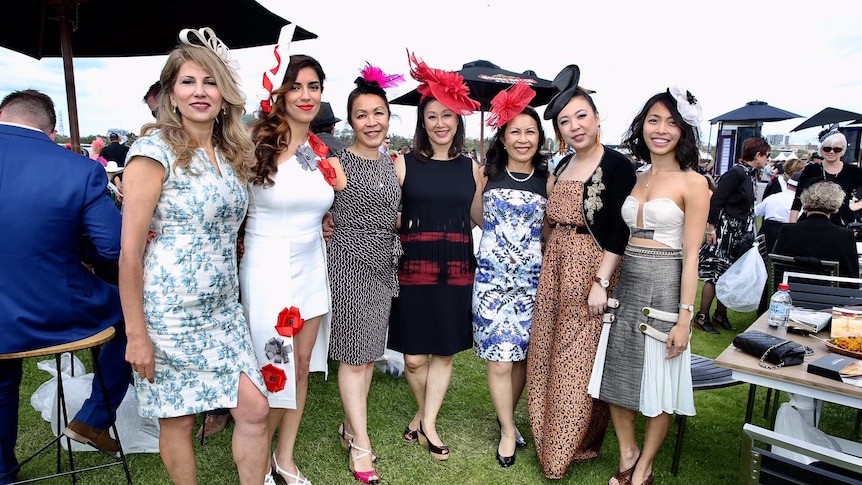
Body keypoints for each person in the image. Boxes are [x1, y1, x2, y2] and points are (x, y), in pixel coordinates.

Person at [119, 29, 270, 484]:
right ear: (171, 94)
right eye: (188, 82)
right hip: (169, 314)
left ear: (225, 94)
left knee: (255, 407)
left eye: (210, 81)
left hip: (223, 310)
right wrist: (136, 334)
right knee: (178, 418)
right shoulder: (152, 153)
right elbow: (129, 254)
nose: (200, 91)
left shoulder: (230, 152)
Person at [0, 89, 130, 484]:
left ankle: (3, 470)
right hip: (55, 310)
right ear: (50, 129)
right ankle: (92, 418)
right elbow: (110, 246)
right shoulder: (78, 169)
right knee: (133, 318)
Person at [240, 54, 347, 485]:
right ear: (279, 93)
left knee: (300, 365)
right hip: (267, 265)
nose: (306, 95)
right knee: (273, 368)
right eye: (297, 86)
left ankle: (285, 457)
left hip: (310, 263)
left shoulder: (321, 151)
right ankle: (257, 460)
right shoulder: (252, 145)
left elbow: (328, 210)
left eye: (314, 86)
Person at [526, 64, 637, 479]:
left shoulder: (616, 166)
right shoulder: (561, 166)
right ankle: (550, 433)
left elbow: (618, 229)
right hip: (554, 265)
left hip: (591, 267)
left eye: (581, 116)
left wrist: (601, 282)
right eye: (564, 121)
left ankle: (565, 448)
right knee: (546, 351)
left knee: (578, 360)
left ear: (597, 117)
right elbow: (550, 219)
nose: (574, 126)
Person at [598, 88, 710, 485]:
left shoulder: (695, 183)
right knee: (618, 372)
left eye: (672, 122)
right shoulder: (636, 175)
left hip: (665, 284)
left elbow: (692, 254)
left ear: (684, 130)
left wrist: (685, 317)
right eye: (654, 120)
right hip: (628, 281)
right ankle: (628, 454)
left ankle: (644, 467)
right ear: (642, 125)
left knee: (660, 381)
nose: (661, 130)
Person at [387, 51, 482, 461]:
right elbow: (388, 218)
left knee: (443, 351)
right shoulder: (403, 164)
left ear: (458, 119)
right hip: (414, 269)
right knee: (412, 358)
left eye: (448, 115)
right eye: (432, 116)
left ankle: (427, 422)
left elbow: (478, 218)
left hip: (458, 266)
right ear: (422, 123)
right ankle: (423, 416)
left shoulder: (472, 168)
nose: (440, 123)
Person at [327, 65, 404, 485]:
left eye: (378, 113)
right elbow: (318, 205)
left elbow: (395, 212)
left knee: (369, 355)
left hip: (383, 264)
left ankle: (348, 427)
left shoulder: (392, 163)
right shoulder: (338, 164)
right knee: (355, 358)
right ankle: (360, 444)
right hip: (350, 264)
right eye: (362, 114)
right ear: (350, 121)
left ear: (388, 117)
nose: (371, 121)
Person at [471, 82, 549, 468]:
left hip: (532, 283)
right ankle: (506, 430)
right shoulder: (488, 173)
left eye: (530, 131)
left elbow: (551, 230)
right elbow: (476, 215)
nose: (522, 139)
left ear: (539, 137)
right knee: (499, 360)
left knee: (519, 360)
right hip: (491, 281)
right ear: (503, 136)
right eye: (514, 131)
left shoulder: (548, 179)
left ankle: (509, 418)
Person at [695, 137, 770, 334]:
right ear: (757, 155)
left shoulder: (748, 174)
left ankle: (720, 314)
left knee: (730, 273)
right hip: (725, 232)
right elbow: (717, 201)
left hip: (738, 233)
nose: (768, 160)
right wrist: (711, 229)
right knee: (716, 274)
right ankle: (702, 316)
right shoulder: (736, 173)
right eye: (767, 155)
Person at [774, 181, 859, 278]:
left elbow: (775, 268)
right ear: (837, 204)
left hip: (791, 289)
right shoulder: (844, 236)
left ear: (805, 200)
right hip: (829, 291)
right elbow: (852, 277)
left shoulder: (788, 231)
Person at [790, 129, 862, 227]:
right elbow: (797, 200)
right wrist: (791, 227)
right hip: (812, 223)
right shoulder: (811, 169)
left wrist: (858, 205)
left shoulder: (854, 171)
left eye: (837, 149)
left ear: (843, 150)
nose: (831, 152)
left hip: (842, 224)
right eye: (827, 149)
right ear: (821, 149)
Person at [755, 172, 800, 254]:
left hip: (765, 239)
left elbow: (755, 212)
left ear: (787, 184)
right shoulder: (801, 204)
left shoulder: (772, 198)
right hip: (786, 240)